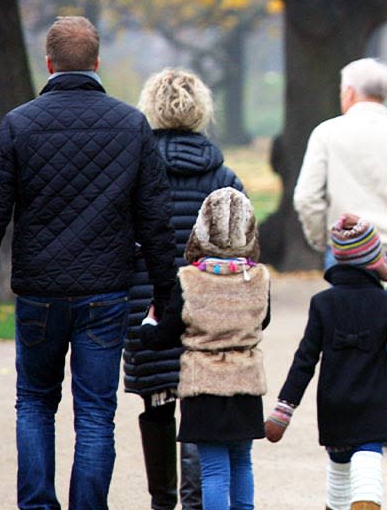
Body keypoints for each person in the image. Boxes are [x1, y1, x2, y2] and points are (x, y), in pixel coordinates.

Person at [0, 15, 178, 510]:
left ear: (49, 63)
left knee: (34, 402)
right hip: (105, 288)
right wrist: (166, 292)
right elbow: (155, 219)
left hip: (40, 289)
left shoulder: (19, 124)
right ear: (97, 62)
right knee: (96, 414)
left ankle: (37, 505)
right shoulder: (130, 125)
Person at [293, 57, 387, 448]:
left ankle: (348, 425)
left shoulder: (327, 133)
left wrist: (321, 238)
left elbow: (307, 197)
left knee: (339, 338)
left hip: (342, 248)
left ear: (349, 92)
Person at [125, 68, 245, 510]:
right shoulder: (223, 177)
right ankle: (197, 503)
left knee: (157, 403)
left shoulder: (133, 171)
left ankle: (162, 501)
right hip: (208, 311)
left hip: (147, 304)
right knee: (200, 408)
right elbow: (245, 250)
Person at [264, 215, 387, 510]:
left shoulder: (323, 303)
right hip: (373, 405)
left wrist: (284, 409)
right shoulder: (386, 304)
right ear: (372, 260)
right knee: (367, 477)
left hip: (334, 404)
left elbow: (305, 359)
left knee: (340, 480)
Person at [133, 188, 269, 510]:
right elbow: (263, 322)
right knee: (242, 461)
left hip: (203, 383)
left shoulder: (189, 280)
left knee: (213, 468)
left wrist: (147, 328)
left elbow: (167, 334)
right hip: (245, 382)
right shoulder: (259, 278)